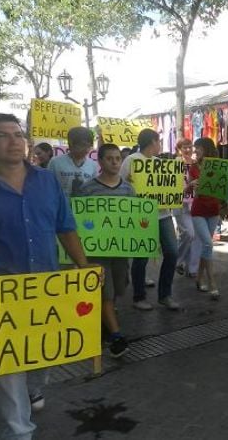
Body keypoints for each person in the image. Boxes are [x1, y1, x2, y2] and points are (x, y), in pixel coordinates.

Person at [0, 113, 92, 439]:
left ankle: (35, 387)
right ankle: (19, 430)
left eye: (18, 134)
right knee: (7, 363)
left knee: (42, 354)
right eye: (3, 135)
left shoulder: (47, 181)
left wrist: (84, 265)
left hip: (47, 287)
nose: (14, 141)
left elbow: (66, 227)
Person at [76, 143, 132, 358]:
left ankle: (105, 321)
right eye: (109, 158)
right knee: (105, 292)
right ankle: (116, 336)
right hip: (96, 252)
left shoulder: (128, 189)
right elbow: (80, 220)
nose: (115, 162)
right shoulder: (87, 189)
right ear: (100, 161)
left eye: (118, 158)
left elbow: (134, 221)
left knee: (117, 289)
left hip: (119, 252)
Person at [121, 128, 180, 310]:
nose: (160, 145)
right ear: (153, 142)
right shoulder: (131, 161)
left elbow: (167, 188)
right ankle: (139, 297)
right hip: (142, 216)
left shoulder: (158, 162)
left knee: (172, 252)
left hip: (163, 214)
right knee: (141, 257)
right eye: (159, 141)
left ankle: (165, 294)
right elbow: (121, 185)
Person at [188, 137, 221, 299]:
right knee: (208, 243)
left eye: (198, 148)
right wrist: (191, 184)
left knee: (206, 247)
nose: (195, 151)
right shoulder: (194, 167)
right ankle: (212, 281)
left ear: (206, 148)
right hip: (199, 210)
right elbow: (189, 188)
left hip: (214, 210)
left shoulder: (218, 166)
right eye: (195, 149)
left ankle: (199, 278)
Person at [173, 139, 201, 279]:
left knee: (193, 235)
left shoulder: (196, 164)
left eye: (190, 147)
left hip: (194, 203)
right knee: (189, 234)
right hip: (180, 203)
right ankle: (177, 261)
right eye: (185, 147)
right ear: (179, 149)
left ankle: (190, 267)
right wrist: (188, 186)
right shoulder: (174, 164)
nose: (188, 150)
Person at [47, 126, 97, 196]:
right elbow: (48, 186)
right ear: (71, 144)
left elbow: (94, 189)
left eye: (89, 146)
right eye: (83, 145)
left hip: (83, 205)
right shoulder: (55, 162)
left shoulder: (93, 165)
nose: (86, 150)